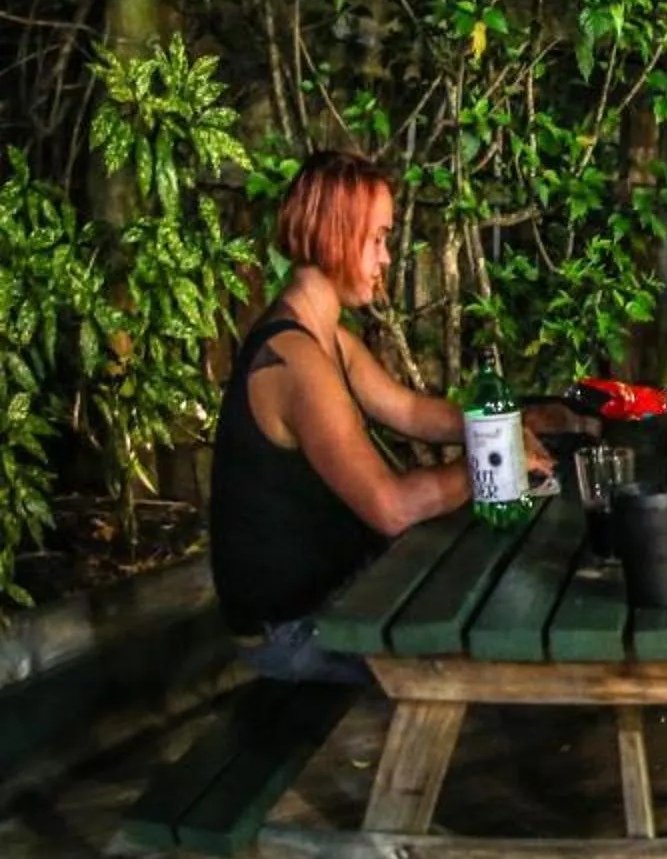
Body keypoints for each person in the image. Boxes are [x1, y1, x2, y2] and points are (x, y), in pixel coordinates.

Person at [209, 151, 534, 684]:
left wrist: (511, 424)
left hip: (330, 605)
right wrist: (501, 463)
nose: (385, 258)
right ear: (336, 234)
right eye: (377, 238)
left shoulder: (326, 337)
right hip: (293, 634)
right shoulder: (296, 361)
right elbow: (392, 507)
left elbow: (409, 411)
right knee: (477, 664)